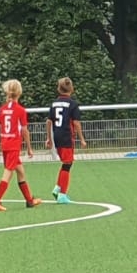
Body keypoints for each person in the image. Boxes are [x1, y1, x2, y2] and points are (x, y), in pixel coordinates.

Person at [0, 78, 41, 211]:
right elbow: (24, 131)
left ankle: (29, 201)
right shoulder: (20, 110)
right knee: (8, 172)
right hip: (13, 146)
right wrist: (29, 148)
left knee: (21, 171)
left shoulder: (3, 109)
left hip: (5, 144)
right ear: (19, 93)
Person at [46, 76, 86, 204]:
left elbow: (48, 121)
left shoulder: (54, 103)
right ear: (71, 88)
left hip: (57, 136)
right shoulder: (73, 104)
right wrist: (82, 139)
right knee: (68, 163)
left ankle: (58, 188)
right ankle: (62, 194)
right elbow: (76, 123)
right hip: (67, 136)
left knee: (66, 163)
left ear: (59, 89)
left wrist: (49, 138)